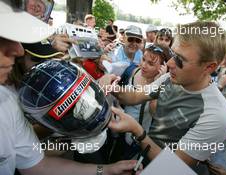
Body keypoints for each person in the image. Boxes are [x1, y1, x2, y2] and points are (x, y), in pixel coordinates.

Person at [0, 1, 141, 174]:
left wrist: (106, 170)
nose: (18, 50)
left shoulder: (5, 101)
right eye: (3, 38)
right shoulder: (13, 95)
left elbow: (36, 164)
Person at [99, 21, 226, 171]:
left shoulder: (217, 114)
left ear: (209, 67)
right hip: (143, 158)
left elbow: (174, 167)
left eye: (180, 59)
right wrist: (112, 87)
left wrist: (138, 132)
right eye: (173, 54)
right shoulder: (169, 79)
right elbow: (136, 96)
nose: (169, 63)